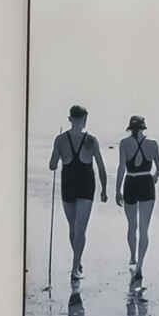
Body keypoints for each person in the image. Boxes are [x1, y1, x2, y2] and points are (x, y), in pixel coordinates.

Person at [48, 104, 103, 280]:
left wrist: (58, 155)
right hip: (86, 185)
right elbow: (101, 166)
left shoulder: (60, 139)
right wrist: (104, 190)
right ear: (85, 119)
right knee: (78, 229)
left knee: (74, 228)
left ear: (70, 119)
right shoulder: (91, 140)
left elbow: (52, 165)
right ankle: (76, 264)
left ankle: (75, 265)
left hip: (68, 184)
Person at [116, 113, 159, 276]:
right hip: (146, 183)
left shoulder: (124, 143)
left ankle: (132, 257)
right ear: (143, 127)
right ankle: (140, 265)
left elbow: (121, 167)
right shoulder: (153, 144)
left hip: (130, 182)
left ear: (130, 128)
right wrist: (154, 178)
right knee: (144, 228)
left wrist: (117, 190)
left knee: (132, 226)